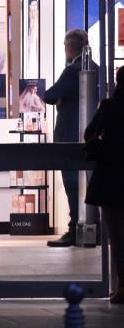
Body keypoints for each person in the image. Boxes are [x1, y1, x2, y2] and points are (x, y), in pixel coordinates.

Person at [45, 28, 100, 247]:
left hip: (70, 136)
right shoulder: (97, 69)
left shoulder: (72, 71)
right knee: (91, 183)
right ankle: (94, 227)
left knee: (72, 182)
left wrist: (61, 100)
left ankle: (75, 228)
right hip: (93, 137)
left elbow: (49, 95)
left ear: (69, 46)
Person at [84, 66, 124, 304]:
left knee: (117, 236)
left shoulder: (110, 106)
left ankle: (122, 285)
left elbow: (90, 133)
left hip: (111, 177)